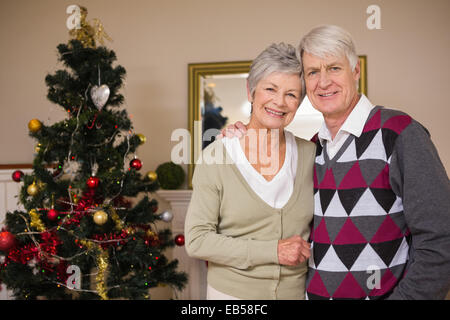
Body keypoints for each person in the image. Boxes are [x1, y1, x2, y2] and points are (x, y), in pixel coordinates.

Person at [224, 25, 450, 300]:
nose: (324, 82)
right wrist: (241, 138)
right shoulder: (310, 149)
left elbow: (441, 238)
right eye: (313, 72)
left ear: (355, 71)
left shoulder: (399, 133)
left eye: (334, 68)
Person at [184, 43, 316, 300]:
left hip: (297, 294)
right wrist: (273, 251)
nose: (280, 102)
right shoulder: (217, 157)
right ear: (251, 91)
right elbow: (197, 240)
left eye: (291, 94)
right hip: (232, 297)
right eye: (270, 89)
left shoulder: (311, 154)